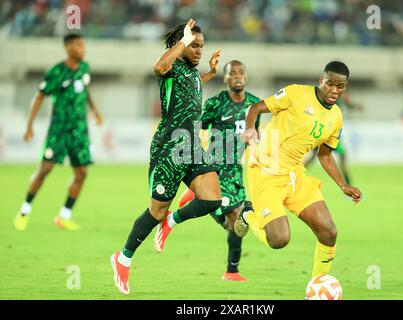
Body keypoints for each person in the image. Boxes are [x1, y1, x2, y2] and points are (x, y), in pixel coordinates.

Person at [111, 19, 223, 295]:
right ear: (181, 44)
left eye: (201, 46)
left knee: (212, 199)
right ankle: (123, 258)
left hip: (192, 146)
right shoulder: (170, 68)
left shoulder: (192, 73)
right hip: (169, 148)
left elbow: (193, 84)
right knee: (155, 211)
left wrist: (209, 72)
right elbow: (158, 67)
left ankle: (171, 223)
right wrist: (182, 41)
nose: (198, 50)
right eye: (194, 45)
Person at [235, 61, 363, 281]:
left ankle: (316, 289)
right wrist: (249, 129)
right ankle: (248, 213)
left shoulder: (336, 117)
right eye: (330, 84)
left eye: (340, 87)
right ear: (321, 80)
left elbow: (324, 155)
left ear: (345, 87)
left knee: (329, 232)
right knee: (279, 240)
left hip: (295, 174)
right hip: (267, 169)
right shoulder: (296, 93)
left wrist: (343, 185)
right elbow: (254, 108)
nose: (334, 90)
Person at [153, 60, 260, 282]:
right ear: (226, 78)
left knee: (237, 225)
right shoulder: (215, 103)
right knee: (238, 216)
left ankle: (232, 271)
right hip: (215, 167)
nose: (238, 76)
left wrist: (256, 149)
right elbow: (193, 126)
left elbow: (253, 131)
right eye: (233, 73)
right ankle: (185, 210)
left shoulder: (254, 104)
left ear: (246, 77)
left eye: (242, 72)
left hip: (235, 169)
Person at [14, 33, 103, 232]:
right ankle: (24, 210)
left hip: (79, 131)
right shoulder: (56, 72)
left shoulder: (84, 68)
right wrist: (29, 126)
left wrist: (95, 111)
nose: (83, 49)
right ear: (69, 48)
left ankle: (64, 216)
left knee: (81, 173)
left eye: (83, 45)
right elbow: (39, 97)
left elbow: (86, 90)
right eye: (79, 45)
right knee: (45, 169)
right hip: (59, 131)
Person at [303, 90, 364, 185]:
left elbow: (347, 104)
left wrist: (355, 107)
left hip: (327, 128)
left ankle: (296, 175)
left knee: (314, 156)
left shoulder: (338, 94)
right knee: (341, 155)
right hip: (329, 129)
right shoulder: (335, 94)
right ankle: (347, 183)